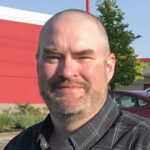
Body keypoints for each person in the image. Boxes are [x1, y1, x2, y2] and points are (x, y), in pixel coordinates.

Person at [4, 9, 150, 150]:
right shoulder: (19, 145)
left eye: (83, 57)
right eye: (53, 57)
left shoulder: (144, 142)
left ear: (109, 67)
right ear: (38, 66)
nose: (67, 72)